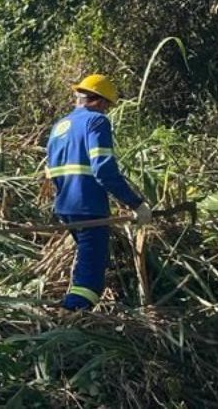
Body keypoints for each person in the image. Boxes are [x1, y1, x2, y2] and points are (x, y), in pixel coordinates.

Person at [46, 74, 152, 311]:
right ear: (101, 102)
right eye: (107, 106)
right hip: (89, 208)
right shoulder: (96, 121)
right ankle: (72, 317)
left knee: (88, 262)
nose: (106, 111)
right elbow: (103, 170)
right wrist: (136, 203)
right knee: (91, 276)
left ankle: (72, 310)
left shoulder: (59, 127)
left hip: (66, 208)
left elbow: (51, 171)